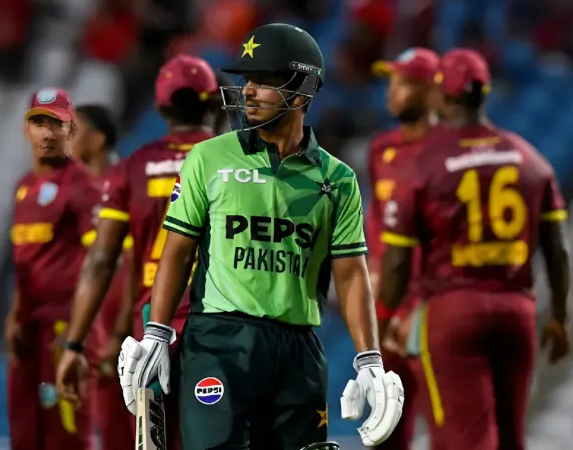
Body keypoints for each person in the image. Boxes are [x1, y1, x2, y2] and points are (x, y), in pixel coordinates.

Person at [118, 23, 403, 449]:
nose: (248, 91)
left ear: (302, 92)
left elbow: (350, 272)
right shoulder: (209, 157)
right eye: (247, 80)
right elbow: (177, 251)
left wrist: (369, 360)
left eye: (264, 81)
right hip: (218, 341)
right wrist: (158, 331)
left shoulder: (338, 179)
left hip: (299, 350)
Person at [377, 48, 571, 450]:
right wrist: (559, 316)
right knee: (512, 439)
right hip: (517, 309)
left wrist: (382, 321)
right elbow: (558, 248)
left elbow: (396, 262)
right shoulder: (529, 157)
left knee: (463, 440)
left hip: (452, 311)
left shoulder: (425, 163)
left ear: (440, 95)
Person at [55, 53, 221, 450]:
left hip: (152, 326)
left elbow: (101, 262)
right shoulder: (235, 165)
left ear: (161, 108)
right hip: (221, 321)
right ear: (214, 103)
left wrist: (75, 344)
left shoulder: (131, 168)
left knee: (154, 441)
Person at [6, 88, 102, 450]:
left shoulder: (83, 187)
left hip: (64, 328)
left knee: (67, 433)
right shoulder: (23, 188)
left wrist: (82, 333)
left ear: (71, 130)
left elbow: (101, 262)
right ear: (25, 129)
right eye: (39, 123)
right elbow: (25, 262)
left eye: (56, 124)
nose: (47, 133)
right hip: (28, 329)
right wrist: (15, 315)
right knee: (25, 432)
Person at [365, 47, 440, 449]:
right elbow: (377, 221)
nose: (392, 92)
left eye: (405, 83)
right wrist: (374, 280)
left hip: (431, 311)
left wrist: (419, 306)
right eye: (390, 82)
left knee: (448, 431)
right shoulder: (381, 148)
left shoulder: (450, 151)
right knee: (385, 432)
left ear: (431, 92)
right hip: (388, 308)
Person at [72, 103, 136, 450]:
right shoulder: (78, 194)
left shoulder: (128, 183)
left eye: (75, 130)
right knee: (109, 425)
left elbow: (135, 262)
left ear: (97, 140)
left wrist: (121, 329)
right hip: (95, 324)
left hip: (129, 322)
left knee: (141, 420)